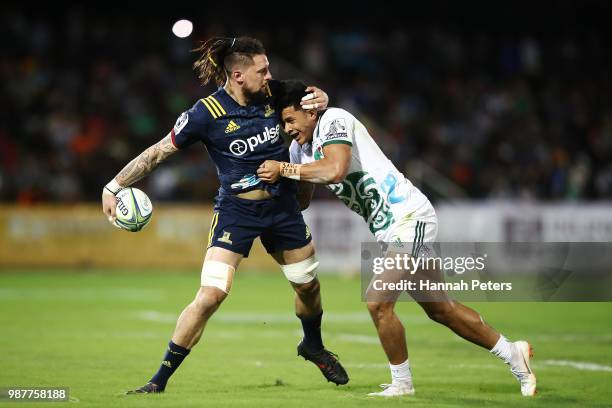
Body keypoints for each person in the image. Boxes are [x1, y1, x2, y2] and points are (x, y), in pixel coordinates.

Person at [256, 80, 536, 397]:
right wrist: (270, 195)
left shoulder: (334, 118)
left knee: (377, 301)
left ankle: (402, 383)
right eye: (282, 123)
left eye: (290, 120)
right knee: (441, 309)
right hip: (390, 229)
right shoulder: (297, 151)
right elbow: (304, 199)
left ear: (309, 110)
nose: (287, 128)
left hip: (410, 216)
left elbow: (335, 170)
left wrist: (285, 168)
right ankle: (514, 353)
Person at [101, 38, 348, 394]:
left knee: (308, 286)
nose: (269, 76)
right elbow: (158, 152)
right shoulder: (205, 113)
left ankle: (313, 346)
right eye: (262, 70)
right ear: (237, 75)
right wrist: (113, 185)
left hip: (282, 208)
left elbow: (312, 99)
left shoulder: (275, 93)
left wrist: (321, 97)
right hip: (236, 212)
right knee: (211, 294)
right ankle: (159, 380)